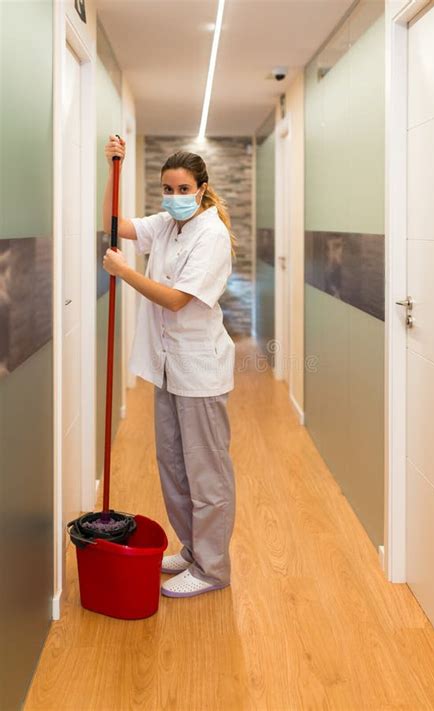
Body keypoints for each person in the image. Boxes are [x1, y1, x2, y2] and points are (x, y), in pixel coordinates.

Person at [102, 135, 237, 598]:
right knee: (173, 465)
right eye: (168, 189)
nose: (175, 198)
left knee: (207, 471)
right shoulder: (166, 224)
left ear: (201, 189)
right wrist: (111, 167)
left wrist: (126, 273)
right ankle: (193, 549)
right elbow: (113, 223)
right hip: (166, 365)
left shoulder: (212, 235)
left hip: (200, 369)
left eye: (183, 189)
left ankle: (213, 568)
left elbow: (178, 300)